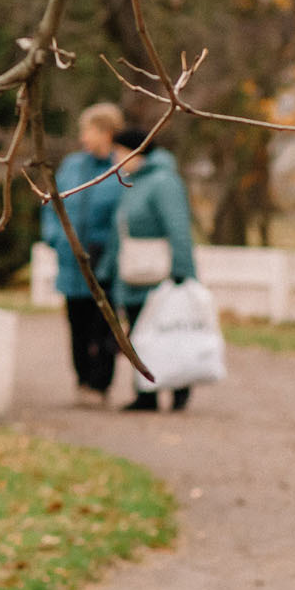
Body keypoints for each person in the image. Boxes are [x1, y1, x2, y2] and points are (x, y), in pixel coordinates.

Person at [102, 124, 199, 412]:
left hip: (160, 277)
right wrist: (107, 271)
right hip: (135, 276)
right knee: (139, 336)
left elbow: (178, 228)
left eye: (118, 152)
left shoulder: (162, 182)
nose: (114, 159)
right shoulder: (135, 182)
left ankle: (178, 387)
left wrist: (182, 273)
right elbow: (121, 232)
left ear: (135, 152)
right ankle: (146, 393)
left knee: (167, 334)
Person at [40, 101, 126, 406]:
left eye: (88, 130)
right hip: (71, 264)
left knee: (104, 327)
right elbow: (53, 205)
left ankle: (100, 384)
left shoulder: (120, 170)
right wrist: (53, 237)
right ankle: (82, 381)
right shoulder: (72, 166)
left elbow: (124, 216)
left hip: (104, 265)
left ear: (106, 132)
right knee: (77, 326)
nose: (83, 137)